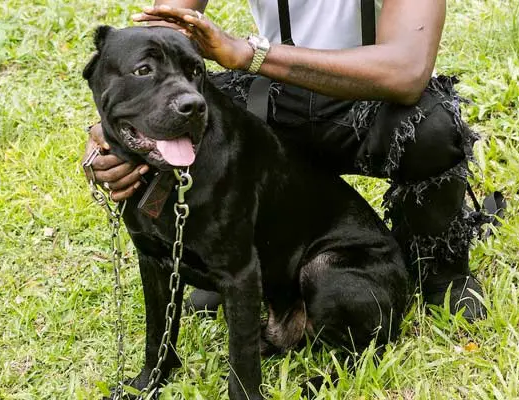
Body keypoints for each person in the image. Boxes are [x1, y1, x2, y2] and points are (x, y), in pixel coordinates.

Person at [84, 0, 489, 320]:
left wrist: (248, 54)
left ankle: (442, 271)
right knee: (199, 110)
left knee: (431, 129)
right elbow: (157, 42)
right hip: (274, 93)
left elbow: (406, 71)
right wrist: (112, 134)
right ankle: (229, 253)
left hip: (368, 98)